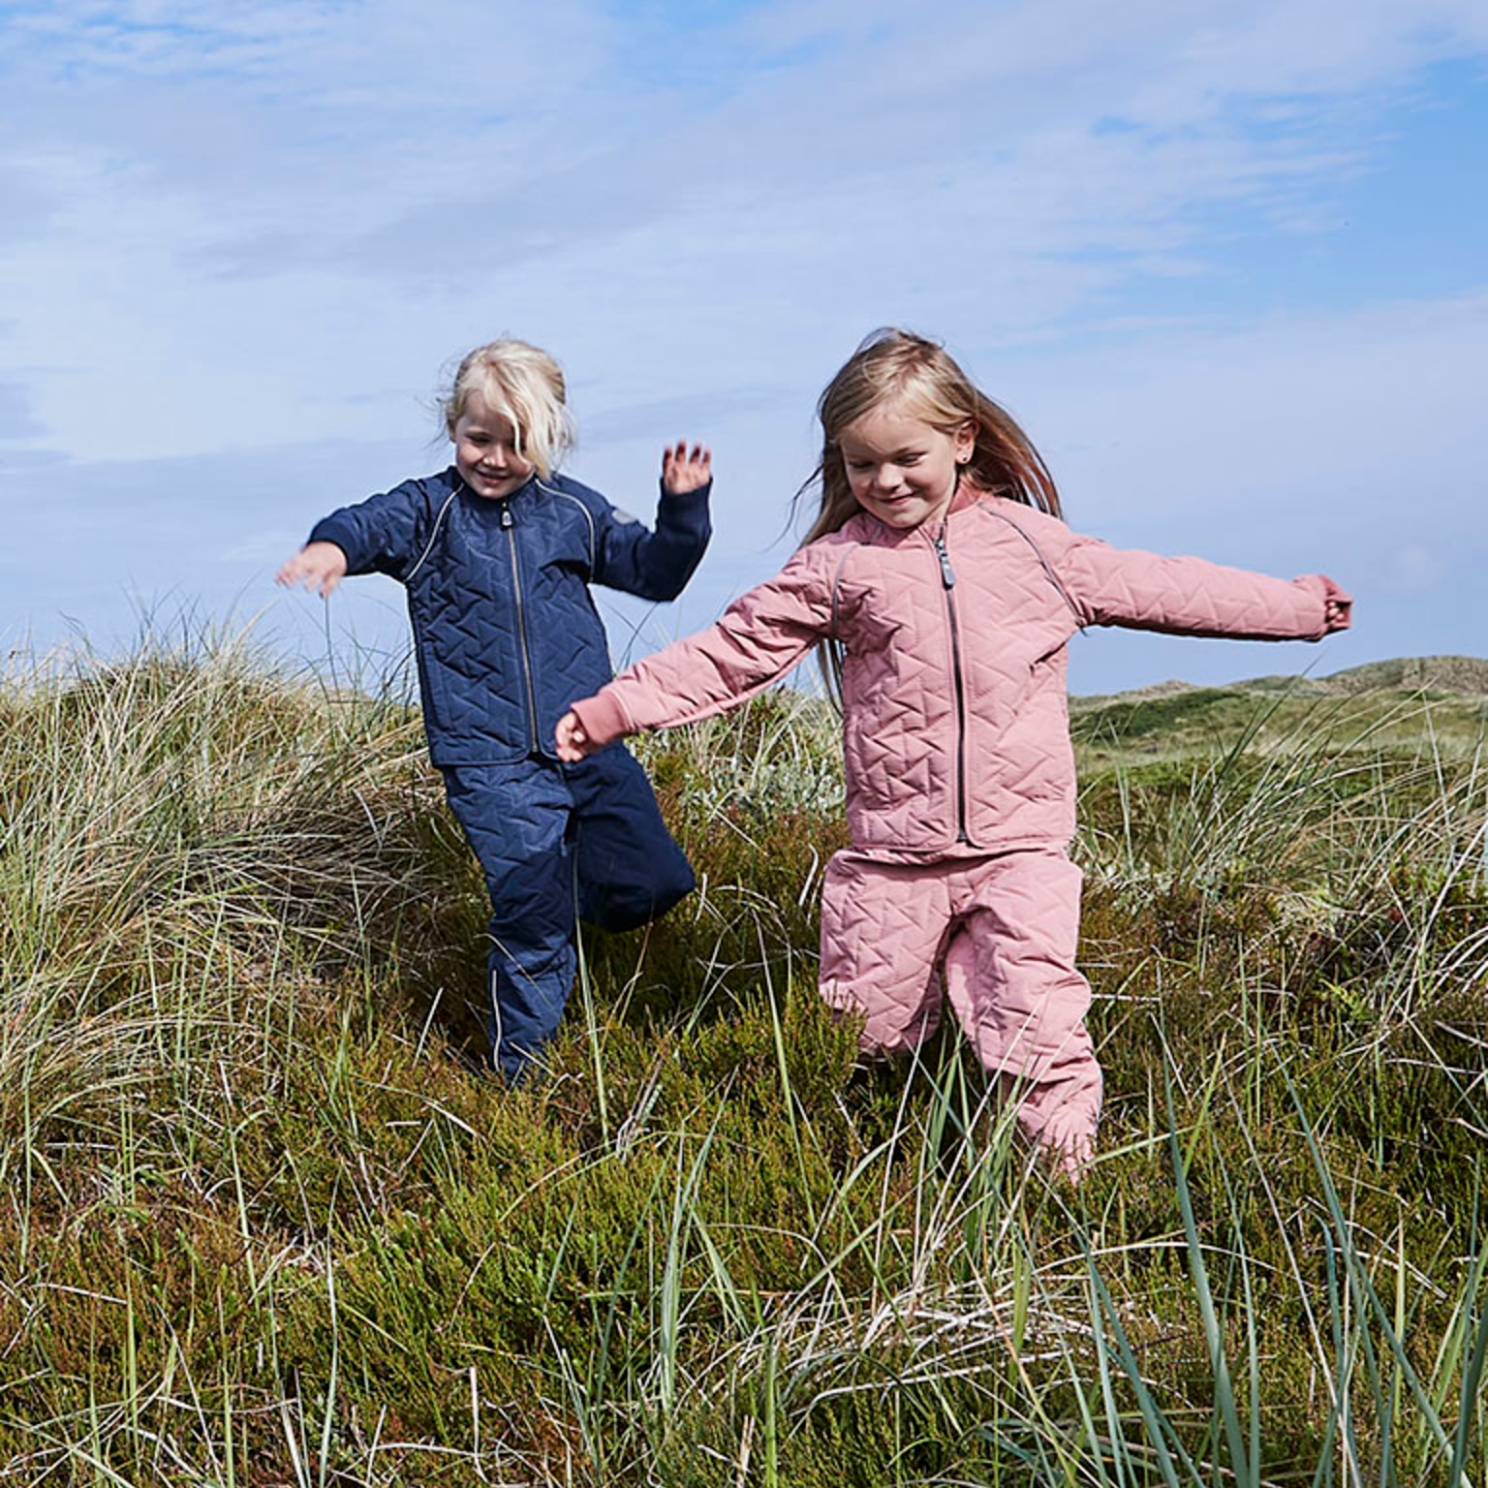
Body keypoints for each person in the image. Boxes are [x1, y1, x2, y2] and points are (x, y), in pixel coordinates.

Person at [555, 328, 1351, 1177]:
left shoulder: (1034, 548)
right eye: (862, 465)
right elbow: (732, 651)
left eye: (907, 457)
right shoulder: (837, 566)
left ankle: (1062, 1194)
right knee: (860, 1037)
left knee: (1038, 1027)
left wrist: (1296, 608)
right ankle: (869, 1181)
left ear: (962, 440)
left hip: (1022, 851)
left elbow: (1169, 587)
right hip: (894, 858)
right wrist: (618, 707)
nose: (886, 482)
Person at [277, 338, 712, 1079]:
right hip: (488, 759)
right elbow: (362, 523)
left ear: (549, 441)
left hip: (587, 740)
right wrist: (331, 550)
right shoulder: (427, 512)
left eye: (517, 444)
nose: (496, 458)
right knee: (533, 919)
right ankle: (523, 1080)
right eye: (481, 437)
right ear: (454, 427)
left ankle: (558, 914)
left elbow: (655, 574)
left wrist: (682, 512)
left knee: (657, 881)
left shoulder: (573, 512)